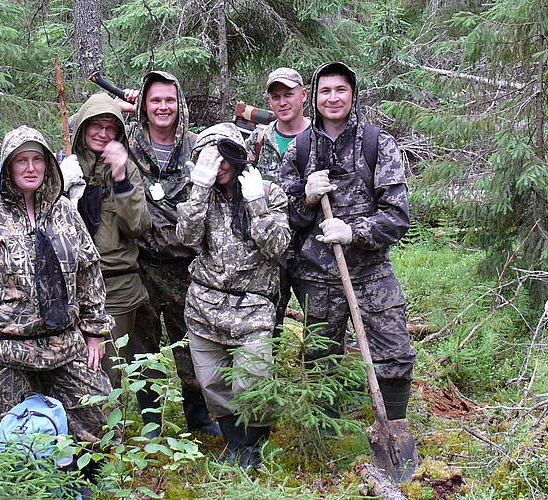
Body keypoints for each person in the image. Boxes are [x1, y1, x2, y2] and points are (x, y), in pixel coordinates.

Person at [0, 125, 114, 444]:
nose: (30, 168)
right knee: (21, 436)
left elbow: (89, 273)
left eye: (37, 159)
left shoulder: (66, 214)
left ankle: (83, 483)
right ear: (8, 167)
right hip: (4, 347)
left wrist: (93, 333)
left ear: (48, 163)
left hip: (65, 344)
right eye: (21, 161)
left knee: (97, 416)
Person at [278, 61, 416, 421]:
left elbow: (397, 216)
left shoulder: (377, 143)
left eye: (340, 90)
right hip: (316, 277)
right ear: (314, 97)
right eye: (325, 90)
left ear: (353, 94)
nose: (333, 98)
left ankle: (395, 426)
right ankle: (327, 434)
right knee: (322, 361)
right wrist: (305, 198)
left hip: (371, 272)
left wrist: (355, 231)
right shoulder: (300, 149)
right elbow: (285, 218)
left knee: (395, 352)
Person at [177, 123, 290, 467]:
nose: (219, 164)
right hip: (204, 306)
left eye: (224, 154)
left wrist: (257, 204)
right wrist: (198, 187)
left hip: (253, 305)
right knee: (212, 383)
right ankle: (236, 446)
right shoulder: (201, 195)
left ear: (237, 154)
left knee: (251, 380)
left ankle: (254, 444)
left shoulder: (268, 192)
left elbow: (278, 247)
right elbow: (187, 237)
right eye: (210, 157)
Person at [114, 71, 220, 437]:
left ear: (180, 104)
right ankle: (150, 423)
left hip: (186, 267)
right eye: (155, 100)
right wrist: (116, 109)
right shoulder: (125, 142)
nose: (163, 107)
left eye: (169, 100)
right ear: (143, 105)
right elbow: (88, 131)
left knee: (192, 343)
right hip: (140, 264)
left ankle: (200, 416)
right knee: (143, 347)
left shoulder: (197, 146)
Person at [57, 93, 154, 420]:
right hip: (69, 289)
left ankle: (117, 442)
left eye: (110, 127)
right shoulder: (64, 166)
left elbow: (138, 225)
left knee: (109, 371)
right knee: (74, 371)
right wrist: (59, 186)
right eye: (95, 125)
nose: (102, 133)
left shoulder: (127, 169)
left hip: (116, 287)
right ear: (82, 128)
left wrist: (120, 177)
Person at [248, 67, 311, 328]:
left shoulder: (319, 138)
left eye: (288, 94)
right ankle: (269, 368)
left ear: (304, 95)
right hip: (270, 248)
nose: (282, 102)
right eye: (276, 97)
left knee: (323, 322)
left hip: (313, 246)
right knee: (267, 322)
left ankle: (324, 369)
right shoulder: (259, 139)